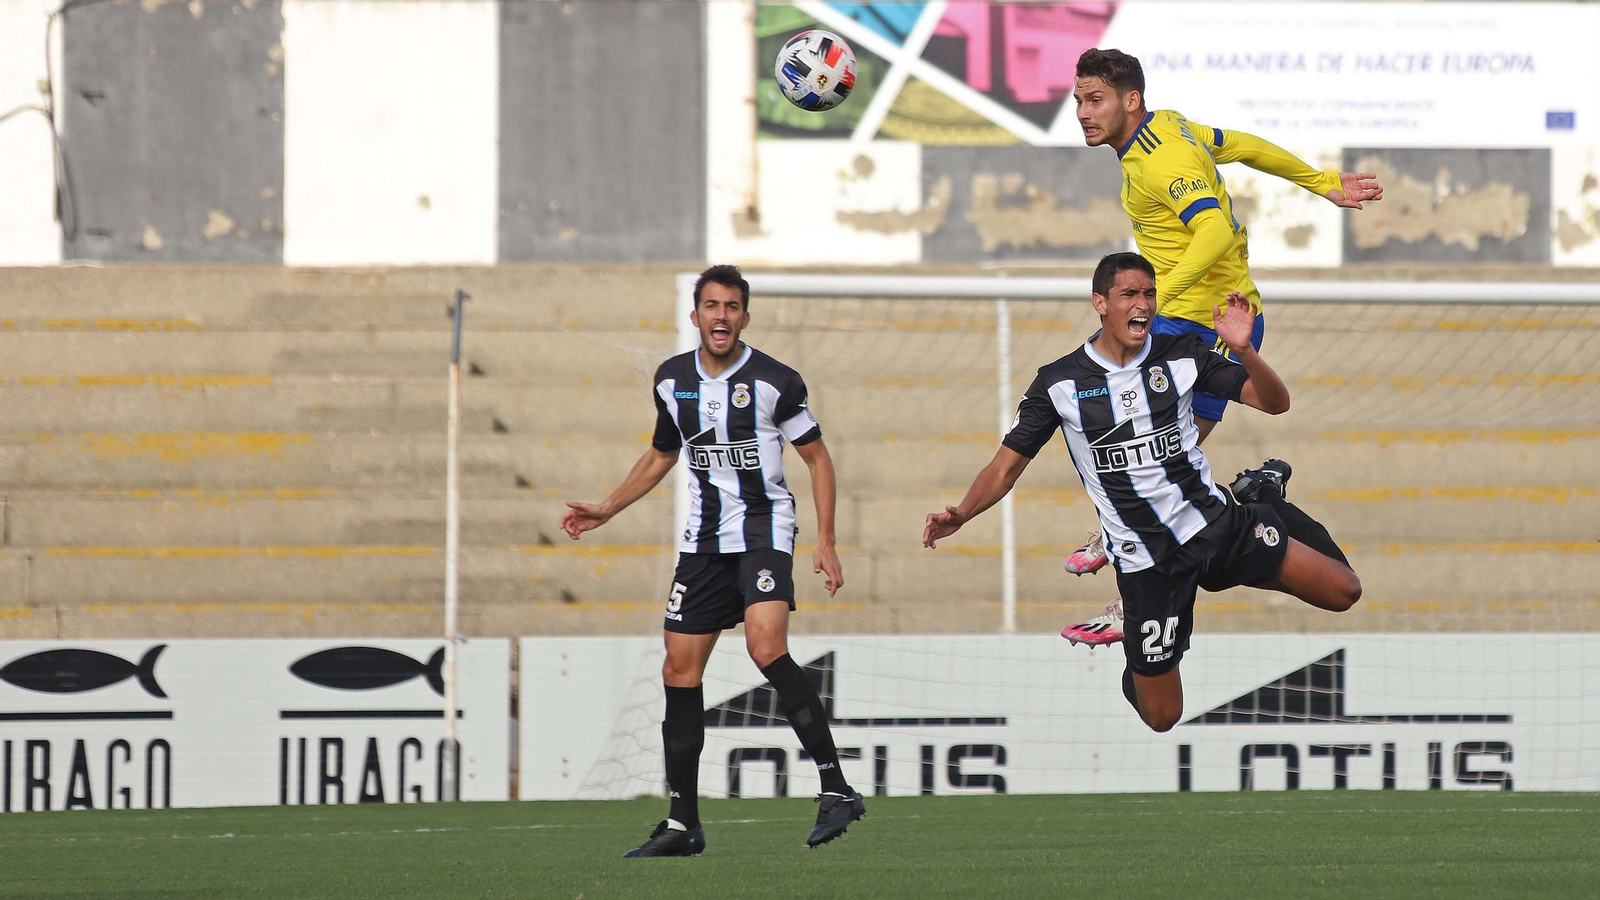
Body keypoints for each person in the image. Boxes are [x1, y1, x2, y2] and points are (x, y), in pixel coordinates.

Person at [922, 252, 1361, 732]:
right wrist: (962, 513)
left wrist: (1246, 352)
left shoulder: (1184, 353)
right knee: (1162, 716)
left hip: (1215, 526)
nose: (1144, 304)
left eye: (1150, 294)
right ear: (1100, 303)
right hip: (1148, 566)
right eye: (1130, 294)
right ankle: (1135, 628)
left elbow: (1276, 404)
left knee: (1344, 592)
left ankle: (1265, 497)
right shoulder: (1060, 383)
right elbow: (1004, 468)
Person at [1059, 48, 1382, 643]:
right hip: (1186, 316)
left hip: (1211, 321)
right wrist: (1319, 183)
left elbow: (1210, 228)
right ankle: (1131, 567)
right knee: (1152, 454)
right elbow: (1241, 144)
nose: (1081, 111)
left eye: (1094, 99)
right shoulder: (1168, 128)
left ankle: (1132, 569)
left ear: (1131, 100)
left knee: (1150, 453)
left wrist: (1155, 299)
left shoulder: (1162, 160)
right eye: (1078, 99)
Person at [561, 265, 863, 857]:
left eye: (732, 306)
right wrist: (607, 508)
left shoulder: (776, 381)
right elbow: (660, 454)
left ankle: (836, 788)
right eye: (711, 305)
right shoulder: (672, 381)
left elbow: (818, 460)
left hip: (763, 529)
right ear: (694, 315)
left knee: (765, 646)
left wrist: (825, 541)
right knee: (679, 670)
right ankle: (683, 825)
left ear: (745, 317)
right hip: (703, 542)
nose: (721, 315)